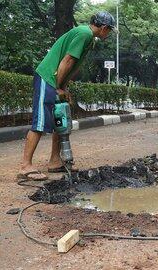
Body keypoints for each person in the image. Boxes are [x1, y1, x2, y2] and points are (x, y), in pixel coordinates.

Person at [17, 11, 117, 181]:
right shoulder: (84, 34)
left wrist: (64, 88)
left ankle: (55, 161)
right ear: (104, 28)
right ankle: (25, 166)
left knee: (60, 118)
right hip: (47, 78)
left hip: (55, 80)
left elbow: (72, 66)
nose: (109, 34)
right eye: (109, 30)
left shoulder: (89, 38)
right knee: (40, 122)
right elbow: (67, 61)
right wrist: (57, 87)